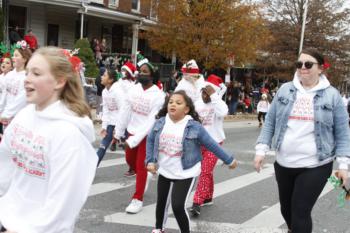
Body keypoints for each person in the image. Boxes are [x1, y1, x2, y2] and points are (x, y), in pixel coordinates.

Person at [0, 46, 97, 232]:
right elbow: (5, 166)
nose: (27, 79)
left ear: (59, 81)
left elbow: (63, 205)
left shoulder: (69, 135)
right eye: (27, 72)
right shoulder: (24, 116)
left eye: (36, 73)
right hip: (8, 219)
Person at [254, 49, 350, 233]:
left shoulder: (332, 95)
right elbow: (270, 122)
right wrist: (261, 150)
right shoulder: (285, 90)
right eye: (299, 64)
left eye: (308, 64)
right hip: (284, 162)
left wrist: (344, 165)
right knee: (286, 210)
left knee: (300, 211)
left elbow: (343, 132)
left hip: (316, 164)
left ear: (320, 68)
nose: (302, 68)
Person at [146, 90, 237, 233]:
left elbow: (211, 144)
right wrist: (150, 161)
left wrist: (229, 160)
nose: (173, 105)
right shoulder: (160, 122)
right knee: (161, 203)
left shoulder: (194, 126)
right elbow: (150, 140)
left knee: (177, 206)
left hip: (186, 172)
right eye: (171, 102)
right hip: (165, 170)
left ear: (186, 109)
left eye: (178, 103)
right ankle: (159, 229)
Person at [114, 55, 165, 214]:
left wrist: (135, 140)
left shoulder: (158, 95)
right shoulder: (133, 89)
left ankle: (137, 199)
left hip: (147, 136)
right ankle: (144, 175)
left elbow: (151, 121)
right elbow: (125, 110)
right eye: (139, 71)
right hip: (131, 131)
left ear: (152, 76)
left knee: (141, 167)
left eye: (144, 72)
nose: (140, 74)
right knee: (130, 161)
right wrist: (118, 132)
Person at [190, 74, 229, 217]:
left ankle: (197, 202)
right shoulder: (197, 104)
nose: (205, 95)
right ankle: (208, 196)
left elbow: (224, 112)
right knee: (206, 170)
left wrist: (214, 97)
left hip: (214, 143)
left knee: (205, 171)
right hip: (199, 143)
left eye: (208, 92)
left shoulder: (218, 104)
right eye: (204, 92)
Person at [0, 40, 32, 128]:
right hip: (5, 117)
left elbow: (21, 100)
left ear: (24, 59)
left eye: (16, 55)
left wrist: (6, 114)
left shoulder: (26, 77)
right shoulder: (9, 75)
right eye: (13, 55)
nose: (13, 57)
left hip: (19, 119)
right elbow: (4, 95)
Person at [96, 68, 123, 166]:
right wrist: (104, 127)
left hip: (123, 125)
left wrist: (119, 129)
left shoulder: (118, 92)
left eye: (104, 75)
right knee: (102, 147)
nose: (101, 77)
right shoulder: (104, 92)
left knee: (130, 151)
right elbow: (106, 110)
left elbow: (122, 111)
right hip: (111, 124)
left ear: (111, 80)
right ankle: (91, 169)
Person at [116, 61, 137, 176]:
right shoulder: (118, 83)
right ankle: (132, 165)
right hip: (117, 115)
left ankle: (133, 166)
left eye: (125, 71)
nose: (123, 72)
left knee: (129, 146)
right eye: (122, 70)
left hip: (129, 118)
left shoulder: (133, 86)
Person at [0, 56, 13, 136]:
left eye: (7, 63)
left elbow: (5, 96)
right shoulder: (0, 77)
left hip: (5, 109)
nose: (4, 64)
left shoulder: (11, 78)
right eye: (3, 62)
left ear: (12, 67)